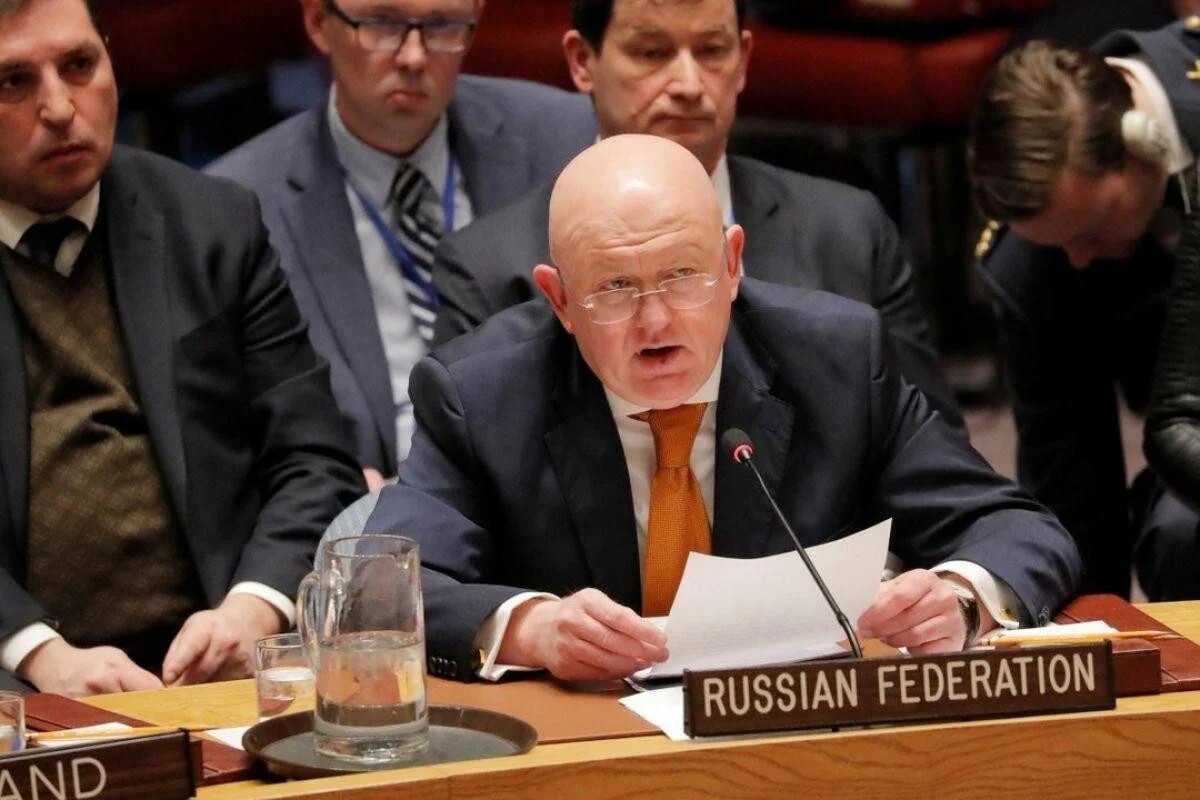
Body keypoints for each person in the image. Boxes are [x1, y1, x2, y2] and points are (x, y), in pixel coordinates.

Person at [364, 135, 1081, 683]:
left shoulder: (835, 360)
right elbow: (385, 586)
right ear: (559, 300)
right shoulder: (481, 394)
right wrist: (533, 629)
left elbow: (1017, 528)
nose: (655, 322)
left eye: (683, 275)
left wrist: (959, 598)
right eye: (614, 288)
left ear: (733, 264)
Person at [0, 0, 366, 695]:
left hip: (216, 663)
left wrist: (252, 609)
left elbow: (313, 459)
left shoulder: (210, 224)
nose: (60, 108)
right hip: (18, 681)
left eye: (79, 65)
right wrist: (41, 655)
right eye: (13, 81)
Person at [431, 0, 963, 430]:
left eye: (711, 51)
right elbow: (469, 493)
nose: (688, 84)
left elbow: (935, 459)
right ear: (581, 61)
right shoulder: (488, 268)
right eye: (652, 53)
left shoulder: (848, 230)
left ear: (744, 59)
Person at [207, 0, 597, 485]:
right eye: (382, 23)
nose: (413, 56)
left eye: (442, 25)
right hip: (359, 503)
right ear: (318, 22)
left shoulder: (565, 139)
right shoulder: (239, 204)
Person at [969, 27, 1200, 599]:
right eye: (1058, 244)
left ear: (1142, 144)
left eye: (1092, 230)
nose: (1077, 258)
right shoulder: (1034, 269)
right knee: (1180, 535)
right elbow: (1073, 496)